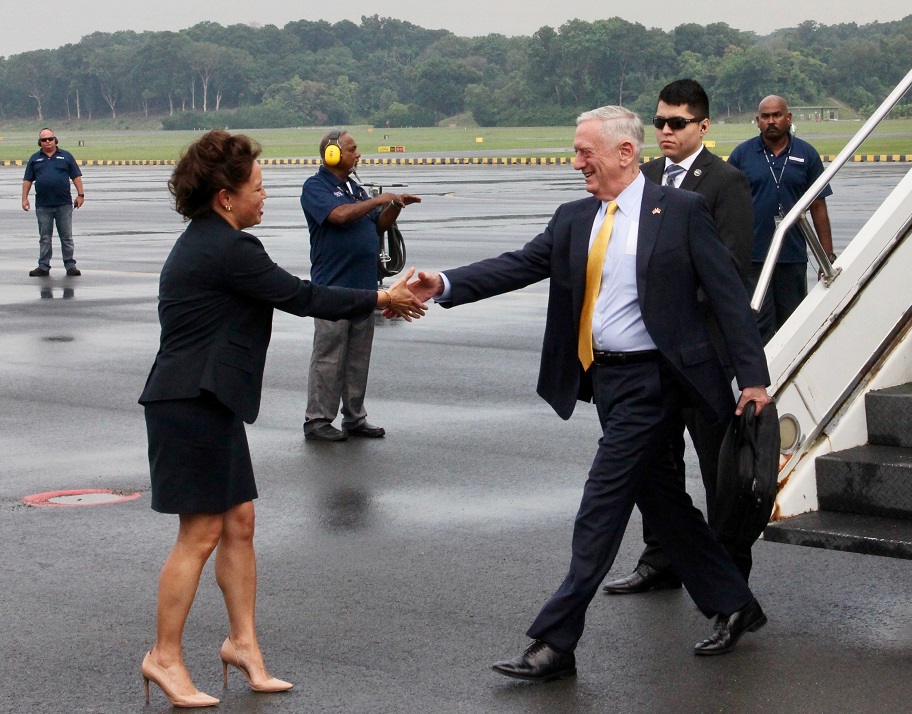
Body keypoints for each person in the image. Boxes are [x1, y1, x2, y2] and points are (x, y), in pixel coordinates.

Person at [406, 106, 771, 682]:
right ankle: (734, 603)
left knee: (600, 506)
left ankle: (556, 641)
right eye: (575, 152)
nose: (576, 162)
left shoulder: (679, 212)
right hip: (606, 382)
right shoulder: (575, 217)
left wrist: (754, 378)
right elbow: (520, 265)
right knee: (665, 504)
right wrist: (445, 283)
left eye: (585, 152)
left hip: (654, 381)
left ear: (625, 153)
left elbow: (729, 297)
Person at [137, 130, 425, 708]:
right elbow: (301, 296)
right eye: (258, 188)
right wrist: (380, 298)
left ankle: (242, 644)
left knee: (238, 521)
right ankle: (163, 657)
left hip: (207, 399)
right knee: (199, 533)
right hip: (189, 402)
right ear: (225, 197)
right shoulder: (228, 249)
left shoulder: (211, 239)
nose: (264, 197)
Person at [604, 79, 757, 596]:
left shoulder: (725, 182)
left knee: (717, 467)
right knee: (658, 462)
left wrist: (665, 299)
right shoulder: (643, 177)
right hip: (649, 355)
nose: (665, 132)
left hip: (700, 352)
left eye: (677, 123)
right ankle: (660, 557)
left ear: (704, 126)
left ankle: (730, 570)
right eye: (660, 122)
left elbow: (731, 270)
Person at [300, 129, 421, 442]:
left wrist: (393, 206)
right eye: (352, 149)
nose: (358, 154)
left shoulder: (354, 187)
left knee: (357, 359)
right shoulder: (315, 187)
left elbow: (377, 224)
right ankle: (318, 420)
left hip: (364, 287)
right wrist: (378, 200)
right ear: (332, 154)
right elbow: (338, 216)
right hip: (333, 289)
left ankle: (354, 418)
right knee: (329, 357)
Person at [727, 95, 834, 342]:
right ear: (757, 120)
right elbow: (727, 207)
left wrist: (826, 256)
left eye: (777, 115)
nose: (771, 121)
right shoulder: (742, 155)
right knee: (756, 328)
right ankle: (763, 379)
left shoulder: (807, 154)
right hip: (753, 259)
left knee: (793, 327)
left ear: (788, 118)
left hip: (792, 256)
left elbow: (818, 207)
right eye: (765, 116)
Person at [21, 127, 84, 277]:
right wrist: (24, 198)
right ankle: (43, 266)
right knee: (44, 237)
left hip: (63, 204)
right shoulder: (35, 159)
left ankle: (70, 265)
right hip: (43, 205)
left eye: (50, 139)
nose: (47, 142)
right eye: (44, 140)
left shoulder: (66, 156)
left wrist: (80, 194)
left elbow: (76, 177)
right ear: (39, 142)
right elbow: (27, 180)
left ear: (55, 140)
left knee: (66, 237)